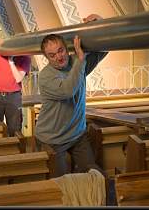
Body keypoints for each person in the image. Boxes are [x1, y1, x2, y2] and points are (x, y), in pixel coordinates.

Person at [35, 14, 108, 178]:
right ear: (46, 58)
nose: (59, 57)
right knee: (61, 183)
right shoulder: (45, 76)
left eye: (60, 50)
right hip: (52, 138)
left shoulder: (77, 63)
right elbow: (68, 90)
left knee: (94, 174)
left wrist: (100, 23)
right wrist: (81, 59)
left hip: (77, 135)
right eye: (52, 55)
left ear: (66, 48)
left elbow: (105, 47)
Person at [0, 28, 31, 137]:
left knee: (15, 128)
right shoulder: (0, 53)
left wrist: (11, 61)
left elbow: (18, 78)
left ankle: (16, 152)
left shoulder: (25, 58)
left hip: (13, 97)